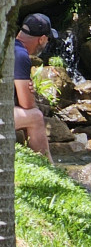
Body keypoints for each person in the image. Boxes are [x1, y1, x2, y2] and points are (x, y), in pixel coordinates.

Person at [13, 12, 57, 161]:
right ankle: (48, 166)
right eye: (48, 40)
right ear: (42, 39)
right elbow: (27, 103)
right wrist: (29, 93)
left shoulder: (9, 46)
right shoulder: (20, 55)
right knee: (35, 117)